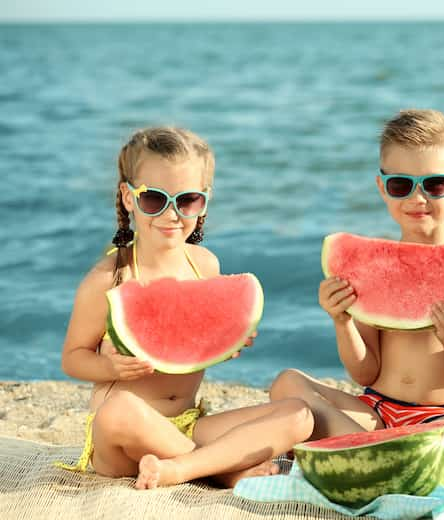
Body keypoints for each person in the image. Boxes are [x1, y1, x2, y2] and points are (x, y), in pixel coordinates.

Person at [60, 126, 313, 489]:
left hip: (188, 424)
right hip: (123, 437)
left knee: (299, 415)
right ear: (129, 198)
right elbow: (72, 358)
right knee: (117, 411)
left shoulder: (205, 265)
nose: (171, 213)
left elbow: (191, 341)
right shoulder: (108, 279)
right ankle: (221, 470)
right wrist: (107, 365)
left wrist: (223, 345)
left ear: (204, 201)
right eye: (153, 200)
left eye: (187, 200)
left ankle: (184, 466)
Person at [270, 109, 444, 468]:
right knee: (287, 382)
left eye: (435, 184)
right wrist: (342, 321)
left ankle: (356, 450)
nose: (417, 197)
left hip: (439, 417)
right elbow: (365, 373)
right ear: (382, 188)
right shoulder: (371, 266)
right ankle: (378, 453)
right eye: (400, 185)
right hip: (372, 410)